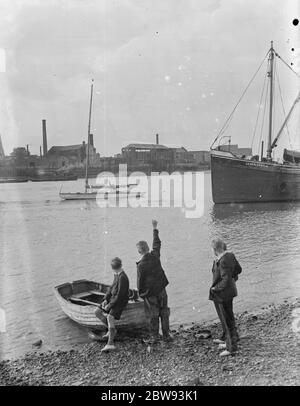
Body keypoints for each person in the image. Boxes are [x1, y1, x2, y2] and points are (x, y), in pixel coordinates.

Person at [136, 220, 172, 344]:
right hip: (161, 289)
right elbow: (157, 243)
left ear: (140, 252)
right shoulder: (155, 255)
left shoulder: (140, 265)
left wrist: (140, 294)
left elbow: (140, 283)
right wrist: (155, 229)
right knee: (164, 311)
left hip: (150, 293)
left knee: (153, 315)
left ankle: (155, 337)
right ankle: (166, 335)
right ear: (147, 248)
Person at [209, 238, 242, 356]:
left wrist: (215, 288)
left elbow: (225, 279)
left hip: (222, 294)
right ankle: (232, 339)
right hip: (230, 292)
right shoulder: (230, 256)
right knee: (229, 316)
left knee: (226, 319)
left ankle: (230, 347)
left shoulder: (222, 261)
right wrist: (232, 278)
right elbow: (238, 269)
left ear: (215, 249)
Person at [95, 257, 129, 352]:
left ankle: (110, 344)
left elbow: (119, 296)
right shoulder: (117, 274)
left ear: (113, 268)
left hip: (120, 301)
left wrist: (109, 306)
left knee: (110, 317)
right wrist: (106, 299)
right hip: (113, 299)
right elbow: (111, 288)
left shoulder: (123, 277)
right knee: (97, 312)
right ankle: (112, 331)